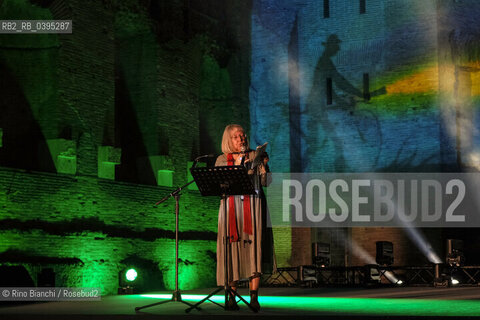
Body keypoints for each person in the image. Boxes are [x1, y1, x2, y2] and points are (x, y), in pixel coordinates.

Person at [215, 124, 274, 311]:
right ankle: (231, 297)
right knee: (231, 249)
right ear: (228, 140)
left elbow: (268, 183)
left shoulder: (254, 156)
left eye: (243, 135)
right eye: (237, 137)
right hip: (231, 208)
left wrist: (263, 165)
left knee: (253, 248)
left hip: (253, 206)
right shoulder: (222, 160)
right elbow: (217, 186)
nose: (242, 139)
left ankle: (254, 297)